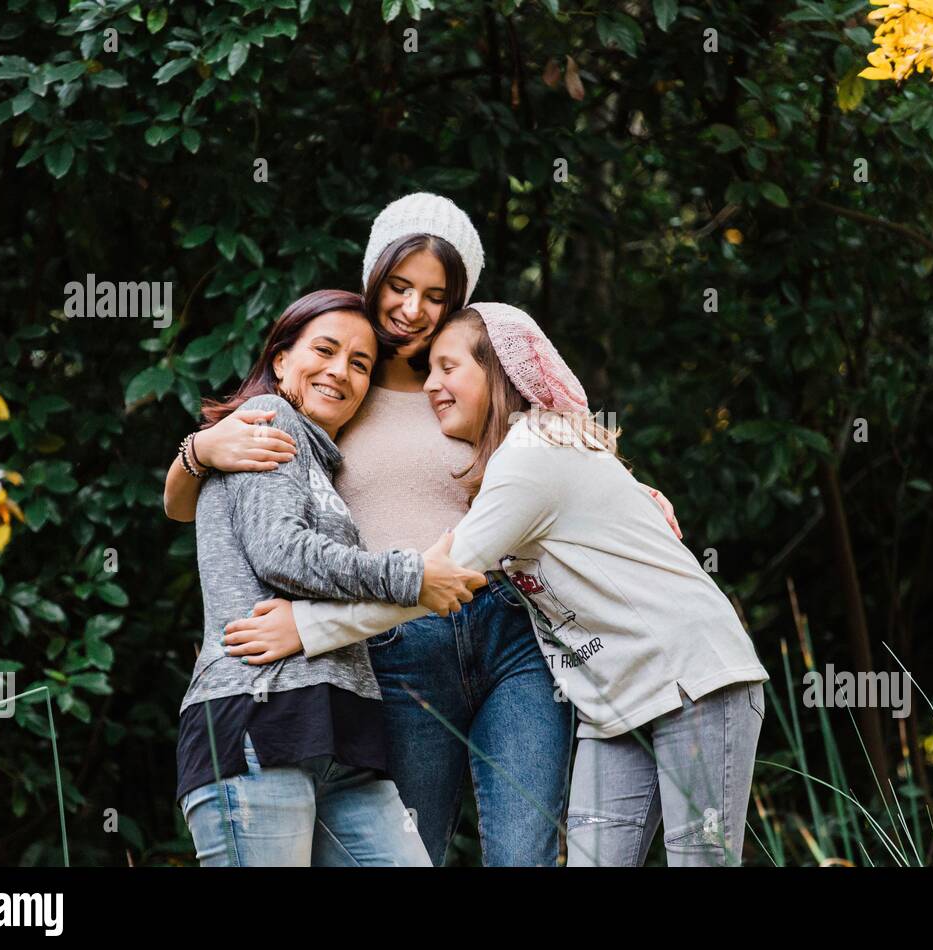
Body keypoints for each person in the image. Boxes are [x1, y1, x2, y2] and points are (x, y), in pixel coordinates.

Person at [164, 193, 680, 866]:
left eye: (435, 295)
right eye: (399, 285)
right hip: (393, 636)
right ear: (374, 275)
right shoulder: (335, 376)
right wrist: (198, 451)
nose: (412, 309)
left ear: (458, 299)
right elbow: (198, 503)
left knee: (524, 852)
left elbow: (558, 453)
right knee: (421, 848)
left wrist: (633, 492)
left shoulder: (471, 376)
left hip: (508, 627)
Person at [226, 302, 771, 866]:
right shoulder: (518, 463)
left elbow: (439, 579)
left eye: (447, 367)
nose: (431, 385)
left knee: (699, 859)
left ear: (497, 373)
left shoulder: (534, 456)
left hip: (693, 677)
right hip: (613, 703)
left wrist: (308, 626)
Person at [174, 288, 482, 866]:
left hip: (341, 736)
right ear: (282, 359)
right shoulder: (267, 423)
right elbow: (281, 552)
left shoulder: (321, 460)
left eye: (360, 364)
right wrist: (411, 576)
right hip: (259, 722)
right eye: (326, 349)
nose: (341, 371)